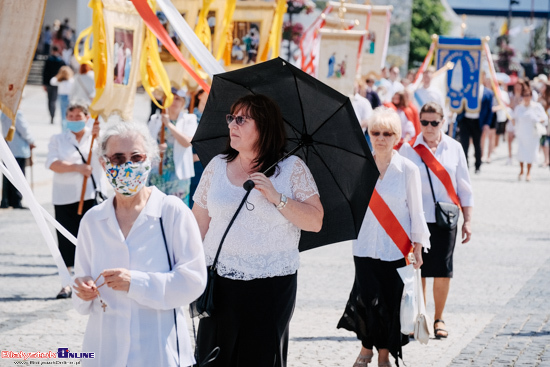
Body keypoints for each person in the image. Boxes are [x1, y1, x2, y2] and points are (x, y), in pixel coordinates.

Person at [192, 94, 323, 367]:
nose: (232, 125)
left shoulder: (291, 169)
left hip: (271, 285)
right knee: (213, 358)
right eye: (231, 118)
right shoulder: (216, 166)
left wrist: (277, 198)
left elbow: (315, 221)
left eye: (241, 119)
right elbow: (197, 225)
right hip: (219, 280)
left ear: (264, 126)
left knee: (261, 358)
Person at [72, 122, 207, 367]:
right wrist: (82, 291)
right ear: (104, 163)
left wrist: (136, 283)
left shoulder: (172, 212)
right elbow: (81, 292)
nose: (127, 166)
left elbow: (194, 281)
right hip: (104, 353)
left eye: (136, 157)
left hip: (158, 353)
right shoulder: (93, 220)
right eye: (118, 158)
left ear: (149, 160)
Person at [338, 107, 429, 367]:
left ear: (397, 137)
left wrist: (419, 246)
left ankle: (383, 355)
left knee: (390, 302)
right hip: (364, 245)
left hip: (396, 248)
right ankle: (366, 347)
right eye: (375, 132)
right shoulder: (358, 168)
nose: (380, 138)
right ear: (369, 134)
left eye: (387, 133)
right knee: (366, 300)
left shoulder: (408, 170)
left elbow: (416, 211)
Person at [400, 102, 474, 339]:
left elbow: (465, 188)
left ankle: (438, 318)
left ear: (443, 122)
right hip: (416, 220)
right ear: (418, 122)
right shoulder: (409, 149)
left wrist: (468, 220)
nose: (429, 127)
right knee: (417, 269)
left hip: (445, 219)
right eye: (424, 122)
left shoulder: (454, 148)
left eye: (434, 122)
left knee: (442, 271)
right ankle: (418, 316)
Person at [46, 103, 106, 299]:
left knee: (90, 240)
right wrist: (78, 168)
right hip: (64, 197)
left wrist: (101, 137)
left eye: (77, 116)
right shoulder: (58, 139)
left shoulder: (96, 138)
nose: (73, 119)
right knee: (64, 240)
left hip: (89, 196)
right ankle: (66, 282)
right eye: (70, 116)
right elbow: (53, 164)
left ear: (86, 117)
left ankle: (92, 280)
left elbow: (107, 160)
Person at [148, 87, 197, 206]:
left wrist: (169, 125)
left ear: (184, 103)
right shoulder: (155, 119)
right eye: (171, 98)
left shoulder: (189, 119)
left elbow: (187, 142)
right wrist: (156, 149)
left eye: (178, 99)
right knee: (155, 206)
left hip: (178, 176)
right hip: (157, 173)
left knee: (177, 209)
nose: (174, 101)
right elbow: (146, 144)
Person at [456, 78, 494, 173]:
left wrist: (487, 124)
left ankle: (478, 165)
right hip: (465, 120)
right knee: (464, 144)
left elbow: (490, 110)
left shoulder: (487, 92)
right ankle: (465, 166)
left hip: (478, 121)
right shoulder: (466, 88)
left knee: (477, 144)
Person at [512, 84, 548, 181]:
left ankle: (528, 172)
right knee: (521, 152)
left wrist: (538, 120)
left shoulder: (537, 107)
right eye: (525, 95)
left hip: (532, 134)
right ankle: (521, 170)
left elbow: (544, 118)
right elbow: (514, 119)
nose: (526, 97)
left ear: (531, 96)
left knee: (530, 153)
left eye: (528, 95)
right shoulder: (519, 108)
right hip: (521, 133)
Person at [1, 111, 35, 209]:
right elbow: (24, 130)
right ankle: (16, 200)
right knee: (18, 175)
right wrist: (31, 140)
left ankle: (6, 200)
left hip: (8, 147)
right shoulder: (15, 112)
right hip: (18, 148)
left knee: (8, 176)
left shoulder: (4, 112)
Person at [189, 88, 209, 208]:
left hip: (203, 168)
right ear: (200, 95)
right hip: (188, 168)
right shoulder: (188, 116)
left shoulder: (215, 121)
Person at [42, 46, 66, 124]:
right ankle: (52, 115)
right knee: (52, 100)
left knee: (52, 100)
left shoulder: (57, 61)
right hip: (52, 83)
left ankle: (52, 115)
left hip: (53, 83)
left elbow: (44, 73)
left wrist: (44, 83)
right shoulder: (58, 61)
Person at [50, 66, 75, 131]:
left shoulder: (60, 81)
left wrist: (58, 75)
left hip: (62, 97)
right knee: (70, 114)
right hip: (69, 97)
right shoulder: (71, 80)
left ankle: (64, 130)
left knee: (63, 115)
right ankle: (68, 129)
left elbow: (52, 81)